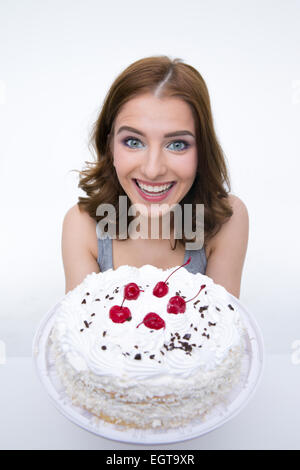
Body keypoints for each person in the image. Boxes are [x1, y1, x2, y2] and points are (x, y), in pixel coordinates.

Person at [62, 56, 249, 298]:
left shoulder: (226, 221)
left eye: (178, 144)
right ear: (110, 145)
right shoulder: (83, 226)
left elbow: (223, 330)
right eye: (133, 142)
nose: (153, 170)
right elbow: (78, 332)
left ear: (202, 149)